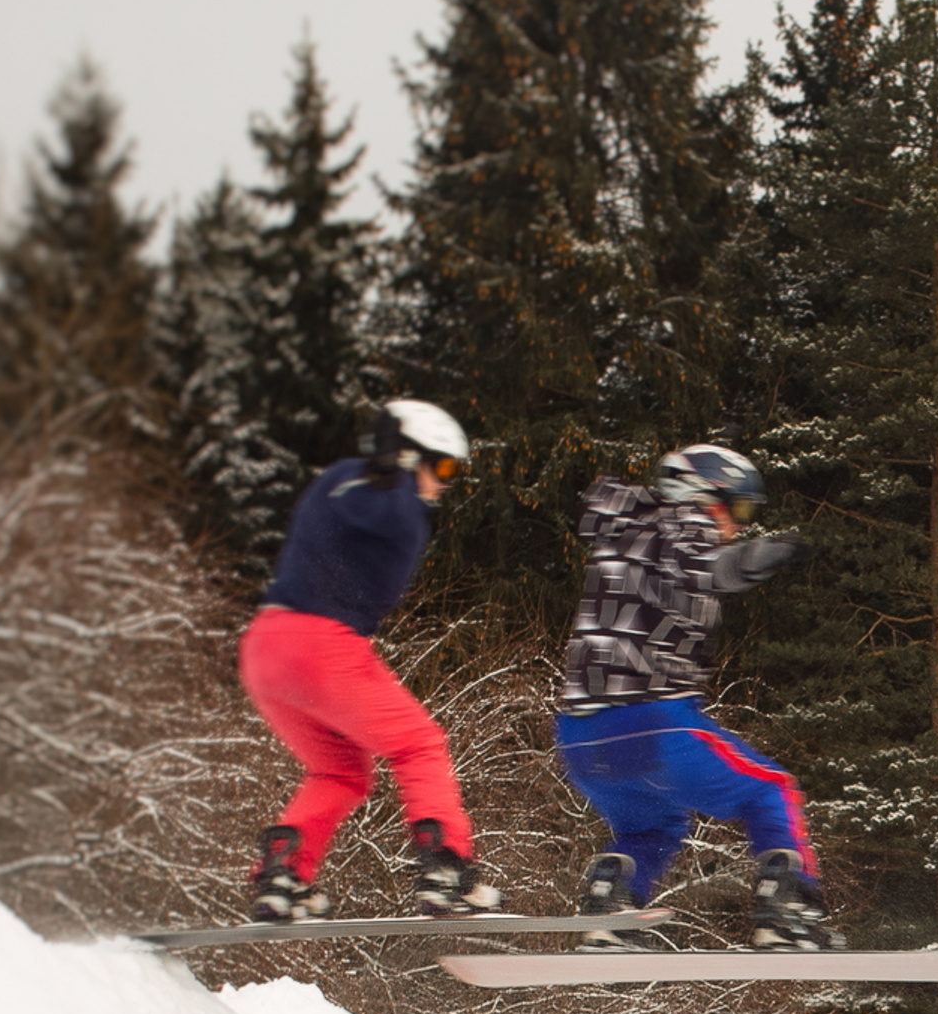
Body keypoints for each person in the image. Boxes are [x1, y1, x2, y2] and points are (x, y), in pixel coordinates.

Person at [553, 445, 842, 952]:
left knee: (654, 827)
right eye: (741, 510)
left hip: (579, 740)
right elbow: (706, 566)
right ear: (709, 495)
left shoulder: (625, 532)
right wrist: (762, 555)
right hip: (651, 722)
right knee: (771, 789)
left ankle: (611, 905)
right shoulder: (685, 523)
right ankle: (787, 911)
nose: (738, 525)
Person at [238, 400, 501, 922]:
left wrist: (387, 472)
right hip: (320, 646)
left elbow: (357, 510)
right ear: (410, 455)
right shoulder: (392, 499)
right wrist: (392, 473)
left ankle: (285, 872)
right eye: (443, 467)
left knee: (341, 770)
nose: (445, 484)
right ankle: (446, 862)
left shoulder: (340, 481)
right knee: (420, 743)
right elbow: (383, 509)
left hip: (264, 649)